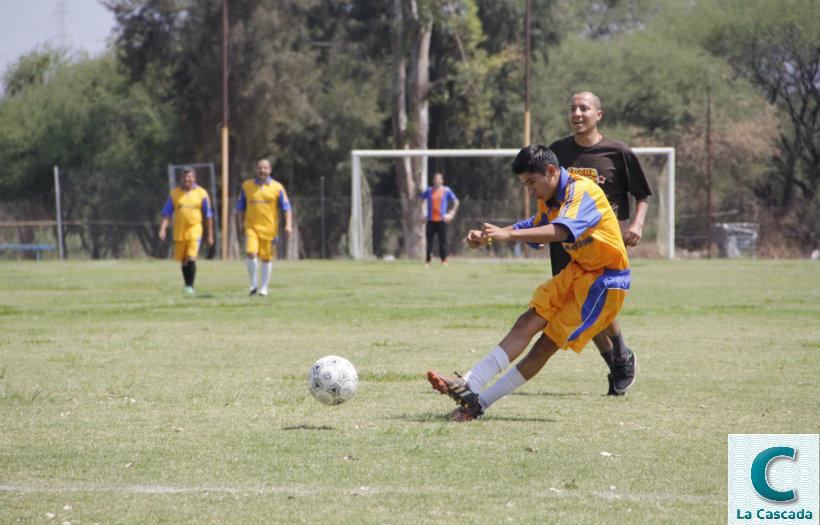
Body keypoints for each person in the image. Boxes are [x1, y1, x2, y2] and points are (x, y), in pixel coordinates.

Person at [427, 145, 630, 420]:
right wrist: (490, 236)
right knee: (528, 320)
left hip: (605, 281)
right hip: (578, 270)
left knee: (545, 345)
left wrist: (505, 236)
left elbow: (559, 231)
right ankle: (469, 383)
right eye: (524, 184)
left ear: (550, 171)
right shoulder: (549, 197)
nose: (530, 190)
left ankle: (479, 404)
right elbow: (533, 227)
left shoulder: (582, 191)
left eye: (531, 182)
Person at [544, 90, 652, 396]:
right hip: (565, 241)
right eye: (573, 108)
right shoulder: (557, 152)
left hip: (601, 242)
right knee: (578, 304)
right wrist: (539, 228)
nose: (577, 113)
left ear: (598, 115)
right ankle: (617, 358)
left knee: (597, 298)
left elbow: (642, 194)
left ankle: (619, 356)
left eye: (584, 108)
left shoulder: (618, 152)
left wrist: (637, 224)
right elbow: (544, 191)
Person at [236, 158, 292, 296]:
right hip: (251, 227)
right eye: (260, 168)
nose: (262, 171)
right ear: (256, 169)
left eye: (265, 168)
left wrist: (288, 225)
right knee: (251, 253)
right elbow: (240, 208)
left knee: (266, 258)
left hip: (269, 229)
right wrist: (240, 223)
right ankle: (253, 285)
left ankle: (264, 288)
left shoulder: (277, 187)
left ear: (270, 170)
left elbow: (287, 208)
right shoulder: (247, 186)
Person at [158, 166, 214, 294]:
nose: (186, 179)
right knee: (184, 260)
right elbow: (167, 213)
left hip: (195, 229)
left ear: (194, 178)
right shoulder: (175, 194)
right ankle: (186, 285)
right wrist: (163, 228)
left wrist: (210, 235)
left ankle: (190, 285)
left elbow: (208, 216)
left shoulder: (202, 193)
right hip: (180, 230)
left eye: (189, 177)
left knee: (191, 256)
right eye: (184, 177)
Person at [420, 172, 459, 266]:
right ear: (433, 180)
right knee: (429, 242)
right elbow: (420, 202)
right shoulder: (429, 191)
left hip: (442, 221)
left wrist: (452, 213)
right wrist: (421, 214)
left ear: (442, 181)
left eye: (439, 179)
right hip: (430, 220)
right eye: (436, 179)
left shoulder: (446, 190)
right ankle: (427, 261)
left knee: (443, 242)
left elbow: (456, 201)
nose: (437, 181)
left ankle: (444, 260)